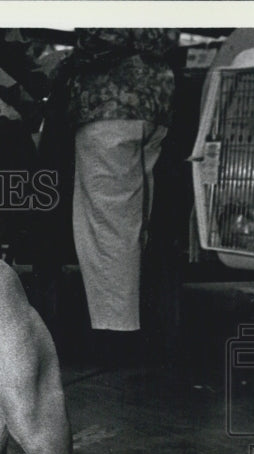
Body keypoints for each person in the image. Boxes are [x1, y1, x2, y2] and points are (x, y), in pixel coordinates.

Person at [67, 28, 179, 363]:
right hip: (154, 103)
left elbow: (101, 36)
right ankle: (134, 325)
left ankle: (115, 337)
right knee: (133, 224)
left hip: (109, 104)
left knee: (106, 227)